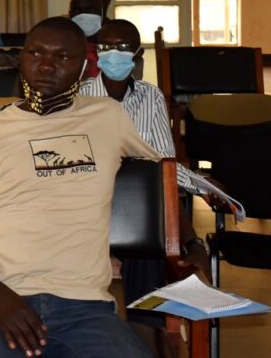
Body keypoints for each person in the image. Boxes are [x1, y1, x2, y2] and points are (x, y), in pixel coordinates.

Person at [0, 17, 158, 358]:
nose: (46, 64)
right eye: (36, 52)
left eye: (62, 57)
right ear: (21, 59)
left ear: (85, 67)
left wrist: (190, 242)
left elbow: (162, 174)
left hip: (86, 308)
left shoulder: (108, 117)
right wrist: (1, 301)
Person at [79, 19, 215, 351]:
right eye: (107, 47)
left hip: (134, 208)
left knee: (149, 226)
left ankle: (146, 327)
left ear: (137, 55)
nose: (114, 54)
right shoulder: (80, 97)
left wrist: (200, 184)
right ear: (97, 53)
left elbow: (162, 165)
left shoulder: (151, 97)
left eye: (123, 48)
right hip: (89, 209)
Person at [68, 0, 105, 79]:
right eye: (77, 11)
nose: (83, 15)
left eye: (90, 10)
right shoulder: (61, 47)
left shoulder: (111, 48)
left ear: (101, 13)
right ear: (70, 15)